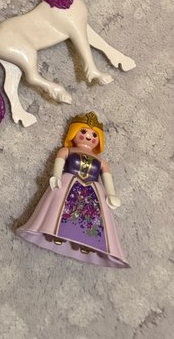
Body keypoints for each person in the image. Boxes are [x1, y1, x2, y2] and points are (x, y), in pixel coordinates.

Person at [16, 112, 128, 267]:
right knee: (61, 210)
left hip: (92, 191)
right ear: (73, 132)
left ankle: (87, 243)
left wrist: (111, 194)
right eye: (84, 131)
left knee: (91, 217)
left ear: (99, 139)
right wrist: (56, 176)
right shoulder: (66, 151)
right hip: (69, 182)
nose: (88, 137)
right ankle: (55, 233)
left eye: (94, 134)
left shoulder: (101, 161)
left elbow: (107, 177)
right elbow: (59, 165)